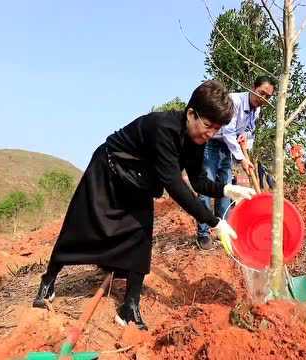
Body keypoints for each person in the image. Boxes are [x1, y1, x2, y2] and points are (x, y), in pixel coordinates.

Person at [32, 80, 256, 330]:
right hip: (109, 169)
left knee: (141, 236)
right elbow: (175, 186)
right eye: (208, 125)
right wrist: (214, 221)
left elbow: (197, 181)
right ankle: (48, 280)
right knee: (80, 225)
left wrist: (226, 188)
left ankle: (130, 307)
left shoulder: (196, 142)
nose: (210, 134)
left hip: (139, 181)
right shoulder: (163, 128)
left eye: (216, 129)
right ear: (191, 113)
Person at [196, 76, 275, 250]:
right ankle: (203, 233)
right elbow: (227, 131)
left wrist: (245, 136)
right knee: (207, 185)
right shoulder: (234, 101)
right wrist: (242, 159)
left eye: (268, 97)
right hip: (212, 141)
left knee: (226, 187)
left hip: (228, 147)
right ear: (253, 88)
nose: (263, 98)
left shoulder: (257, 109)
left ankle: (224, 229)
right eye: (261, 93)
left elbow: (249, 132)